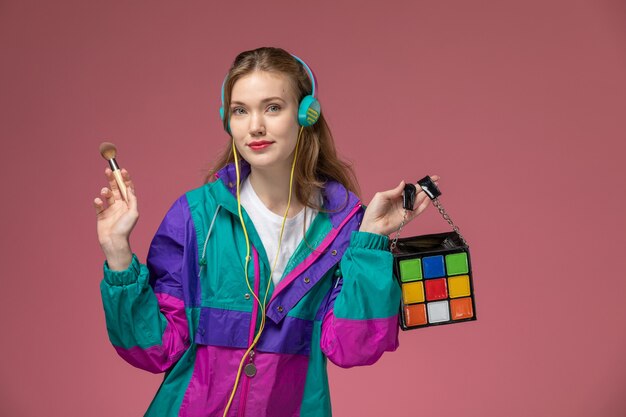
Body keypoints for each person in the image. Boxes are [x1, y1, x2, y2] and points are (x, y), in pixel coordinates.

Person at [94, 47, 439, 417]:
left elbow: (354, 348)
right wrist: (117, 252)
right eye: (240, 110)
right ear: (227, 120)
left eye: (272, 107)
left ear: (307, 114)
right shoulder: (195, 216)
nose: (255, 126)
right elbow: (153, 349)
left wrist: (370, 240)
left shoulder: (343, 227)